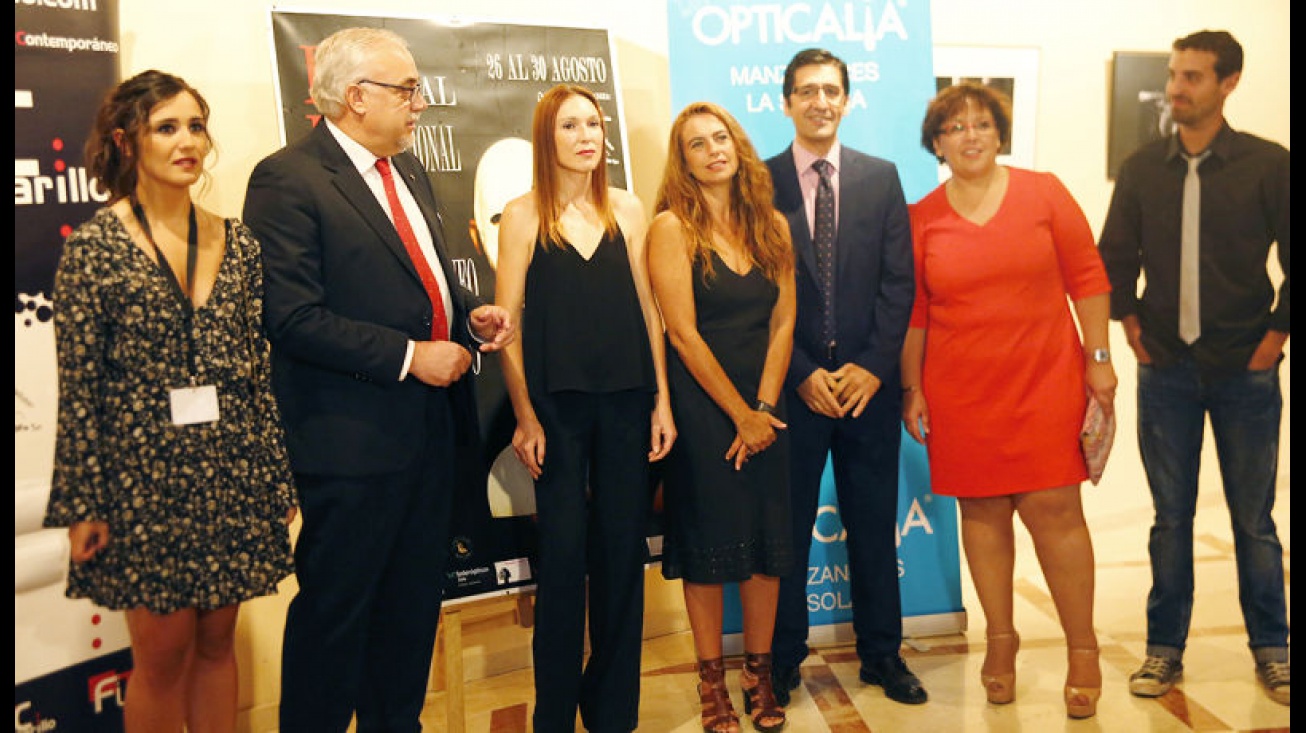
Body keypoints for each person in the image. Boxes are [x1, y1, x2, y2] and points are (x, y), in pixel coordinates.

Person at [241, 27, 514, 731]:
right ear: (356, 97)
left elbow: (413, 292)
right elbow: (290, 316)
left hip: (430, 437)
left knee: (411, 612)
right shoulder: (288, 178)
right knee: (336, 616)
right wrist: (409, 355)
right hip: (350, 446)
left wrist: (463, 325)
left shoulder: (411, 170)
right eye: (407, 89)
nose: (420, 102)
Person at [42, 69, 296, 732]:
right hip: (143, 483)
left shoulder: (239, 244)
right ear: (128, 143)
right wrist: (83, 503)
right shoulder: (95, 249)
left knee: (217, 647)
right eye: (167, 127)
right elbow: (80, 388)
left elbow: (255, 373)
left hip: (231, 473)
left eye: (195, 125)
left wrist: (276, 477)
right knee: (161, 658)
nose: (188, 141)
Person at [900, 81, 1115, 719]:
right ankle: (1000, 639)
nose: (970, 135)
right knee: (984, 514)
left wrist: (1098, 360)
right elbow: (915, 312)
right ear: (937, 142)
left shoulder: (1044, 192)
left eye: (982, 124)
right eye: (955, 127)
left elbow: (1089, 278)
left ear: (1000, 133)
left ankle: (1083, 649)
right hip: (961, 389)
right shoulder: (922, 217)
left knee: (1056, 511)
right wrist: (911, 388)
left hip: (1046, 378)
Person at [1098, 29, 1291, 706]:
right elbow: (1112, 257)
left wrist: (1274, 338)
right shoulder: (1144, 165)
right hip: (1168, 370)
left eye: (1192, 78)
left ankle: (1274, 651)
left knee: (1254, 520)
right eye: (1175, 75)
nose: (1177, 88)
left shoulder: (1270, 165)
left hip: (1248, 369)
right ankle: (1162, 652)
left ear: (1228, 83)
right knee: (1170, 518)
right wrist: (1128, 324)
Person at [494, 83, 676, 733]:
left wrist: (662, 401)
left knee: (623, 559)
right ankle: (553, 714)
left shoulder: (627, 210)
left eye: (594, 124)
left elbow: (652, 315)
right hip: (557, 414)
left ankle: (612, 714)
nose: (587, 136)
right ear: (548, 138)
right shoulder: (521, 215)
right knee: (565, 563)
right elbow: (505, 326)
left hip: (628, 407)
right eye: (571, 125)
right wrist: (525, 414)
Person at [764, 48, 924, 707]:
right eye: (807, 91)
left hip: (867, 392)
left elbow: (899, 283)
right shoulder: (760, 180)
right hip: (794, 393)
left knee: (871, 523)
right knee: (787, 529)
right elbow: (755, 291)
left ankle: (882, 655)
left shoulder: (881, 178)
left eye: (831, 90)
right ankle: (780, 658)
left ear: (847, 99)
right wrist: (800, 372)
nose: (820, 100)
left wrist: (872, 368)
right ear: (786, 102)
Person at [649, 101, 797, 733]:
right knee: (710, 551)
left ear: (737, 146)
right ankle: (711, 684)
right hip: (706, 412)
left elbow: (784, 320)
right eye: (696, 144)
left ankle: (758, 677)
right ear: (682, 162)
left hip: (768, 410)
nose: (713, 150)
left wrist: (763, 408)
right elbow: (681, 333)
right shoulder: (670, 228)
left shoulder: (774, 226)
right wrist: (739, 415)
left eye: (721, 138)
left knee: (767, 550)